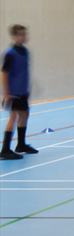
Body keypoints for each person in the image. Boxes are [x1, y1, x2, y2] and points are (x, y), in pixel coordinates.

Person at [2, 25, 36, 160]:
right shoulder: (10, 53)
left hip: (22, 91)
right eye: (20, 34)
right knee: (13, 116)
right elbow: (4, 73)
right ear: (14, 36)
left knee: (25, 114)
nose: (23, 37)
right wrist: (6, 93)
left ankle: (21, 145)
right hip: (13, 91)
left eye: (24, 34)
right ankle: (4, 149)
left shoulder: (25, 52)